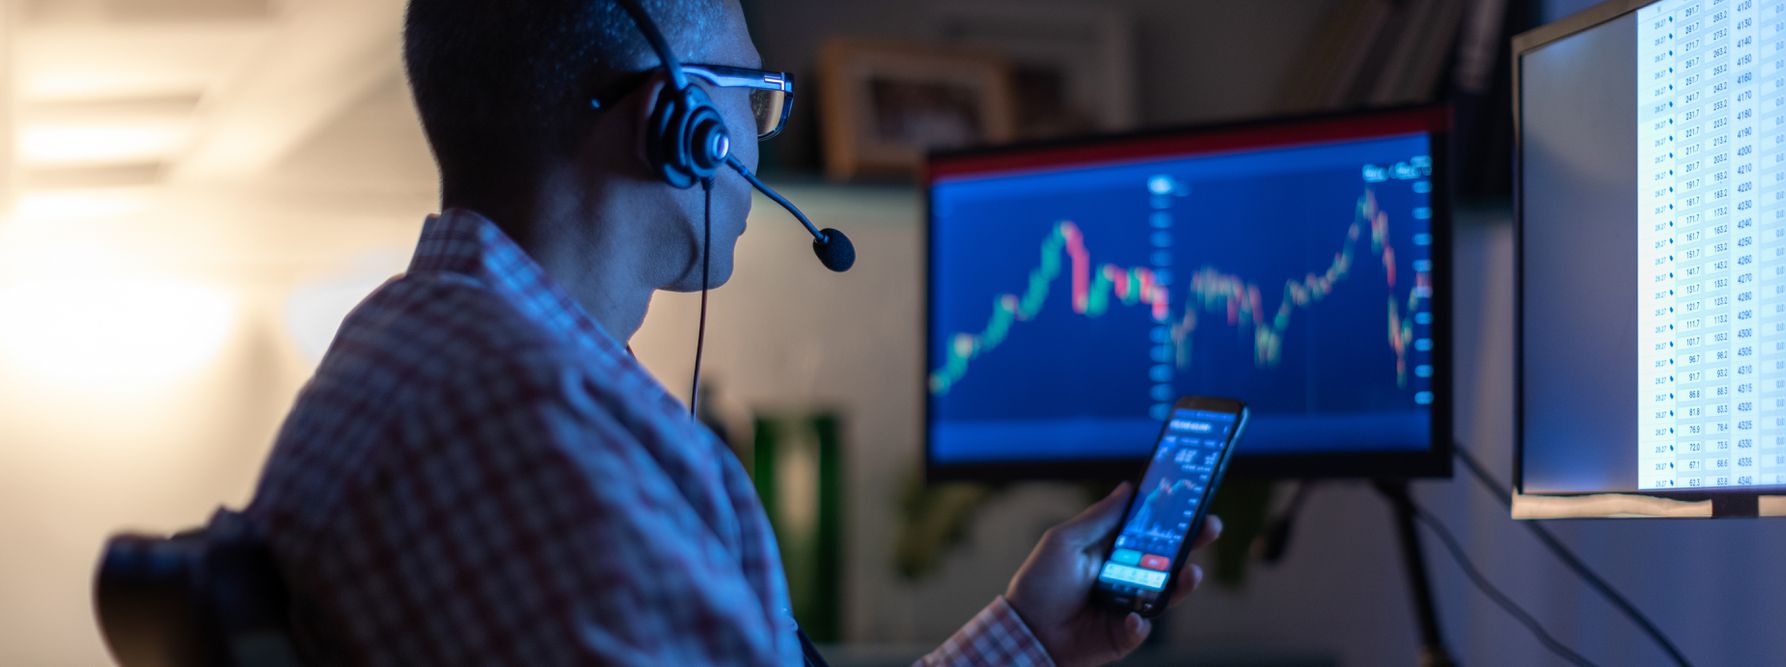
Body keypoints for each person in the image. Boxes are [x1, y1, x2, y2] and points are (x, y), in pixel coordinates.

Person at [244, 0, 1222, 664]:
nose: (758, 138)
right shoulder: (539, 433)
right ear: (675, 125)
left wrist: (1028, 636)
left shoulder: (401, 346)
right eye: (753, 98)